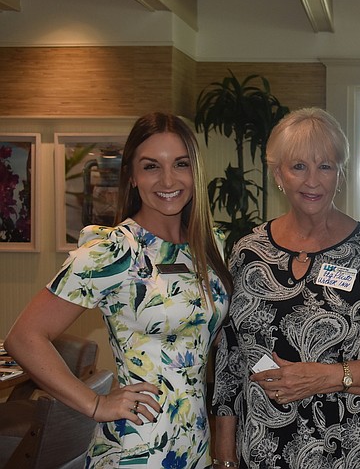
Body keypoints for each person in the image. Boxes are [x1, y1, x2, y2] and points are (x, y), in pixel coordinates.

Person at [5, 112, 231, 468]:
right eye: (151, 166)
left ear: (195, 171)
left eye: (181, 164)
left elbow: (216, 337)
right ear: (132, 176)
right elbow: (24, 338)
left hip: (195, 442)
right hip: (137, 445)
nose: (168, 179)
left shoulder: (209, 245)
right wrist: (95, 403)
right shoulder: (113, 251)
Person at [212, 107, 360, 468]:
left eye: (325, 166)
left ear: (340, 174)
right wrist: (225, 454)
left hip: (351, 451)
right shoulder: (248, 253)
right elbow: (230, 361)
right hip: (264, 450)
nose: (312, 181)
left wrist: (325, 378)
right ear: (278, 174)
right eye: (298, 166)